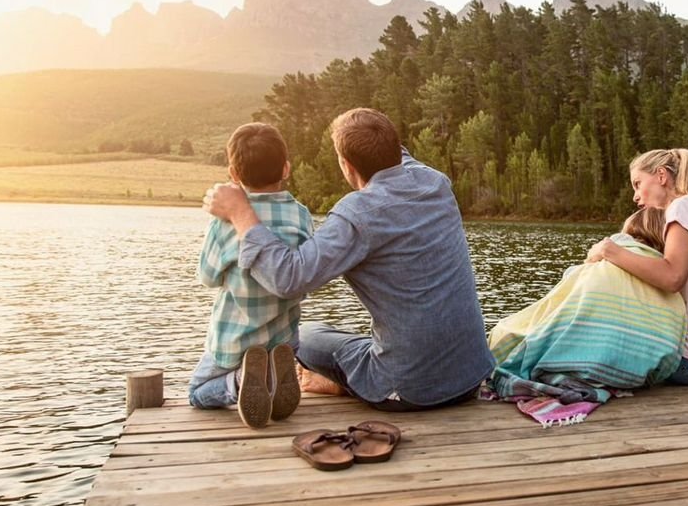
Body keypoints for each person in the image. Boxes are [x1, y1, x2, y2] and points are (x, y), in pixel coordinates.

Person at [203, 107, 494, 412]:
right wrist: (363, 127)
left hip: (410, 389)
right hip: (471, 377)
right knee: (353, 339)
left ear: (347, 166)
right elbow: (391, 152)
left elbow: (288, 278)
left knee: (304, 337)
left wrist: (240, 212)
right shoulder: (435, 182)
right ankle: (343, 382)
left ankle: (348, 384)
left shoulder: (357, 215)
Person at [485, 207, 686, 425]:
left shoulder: (604, 261)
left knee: (506, 333)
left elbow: (557, 305)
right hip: (640, 374)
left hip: (592, 366)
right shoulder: (670, 283)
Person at [189, 122, 313, 429]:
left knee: (197, 392)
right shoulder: (301, 214)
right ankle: (272, 378)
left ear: (233, 174)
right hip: (284, 339)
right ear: (286, 169)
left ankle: (240, 380)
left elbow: (207, 276)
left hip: (234, 340)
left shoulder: (225, 221)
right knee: (277, 352)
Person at [586, 148, 688, 385]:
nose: (635, 196)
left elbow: (672, 277)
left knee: (593, 356)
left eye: (638, 184)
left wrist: (610, 251)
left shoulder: (683, 206)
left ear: (661, 175)